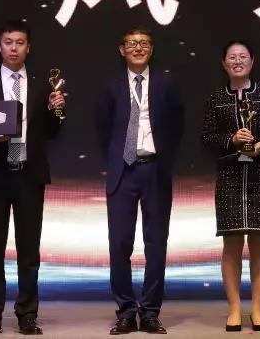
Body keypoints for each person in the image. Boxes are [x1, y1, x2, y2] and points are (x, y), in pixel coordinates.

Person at [0, 20, 66, 335]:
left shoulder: (42, 85)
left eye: (20, 42)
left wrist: (57, 110)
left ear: (28, 47)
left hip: (29, 175)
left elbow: (51, 131)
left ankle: (27, 314)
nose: (13, 48)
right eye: (8, 42)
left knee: (29, 250)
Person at [95, 27, 184, 335]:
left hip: (154, 170)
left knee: (156, 243)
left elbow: (177, 125)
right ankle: (125, 311)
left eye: (144, 43)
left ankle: (149, 312)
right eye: (132, 43)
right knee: (119, 243)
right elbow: (102, 129)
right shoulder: (110, 86)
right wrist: (118, 157)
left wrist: (164, 157)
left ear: (152, 49)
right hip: (123, 171)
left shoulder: (166, 83)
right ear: (122, 49)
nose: (138, 48)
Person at [200, 40, 260, 332]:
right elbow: (207, 136)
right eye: (232, 57)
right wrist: (232, 140)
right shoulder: (216, 98)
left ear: (252, 61)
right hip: (230, 176)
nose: (237, 61)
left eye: (243, 56)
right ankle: (235, 309)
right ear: (223, 63)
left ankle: (258, 310)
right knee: (232, 244)